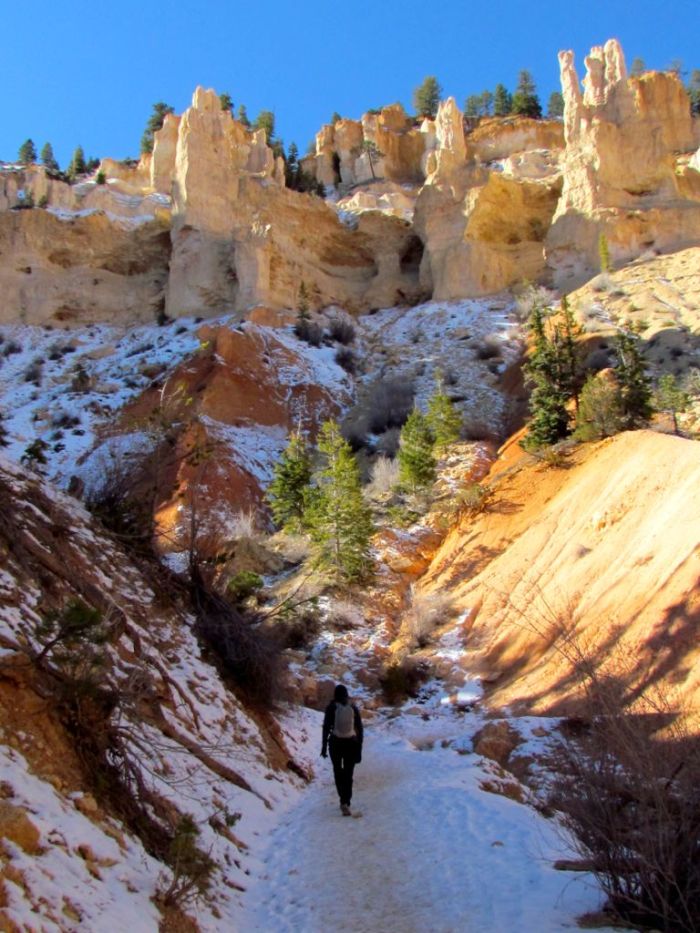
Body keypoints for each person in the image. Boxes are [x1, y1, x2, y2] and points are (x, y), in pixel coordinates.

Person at [321, 684, 363, 816]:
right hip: (351, 743)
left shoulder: (331, 708)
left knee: (338, 772)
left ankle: (342, 801)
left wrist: (323, 747)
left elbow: (326, 728)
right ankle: (347, 801)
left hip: (336, 744)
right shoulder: (353, 708)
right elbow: (360, 729)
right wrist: (359, 748)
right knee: (348, 774)